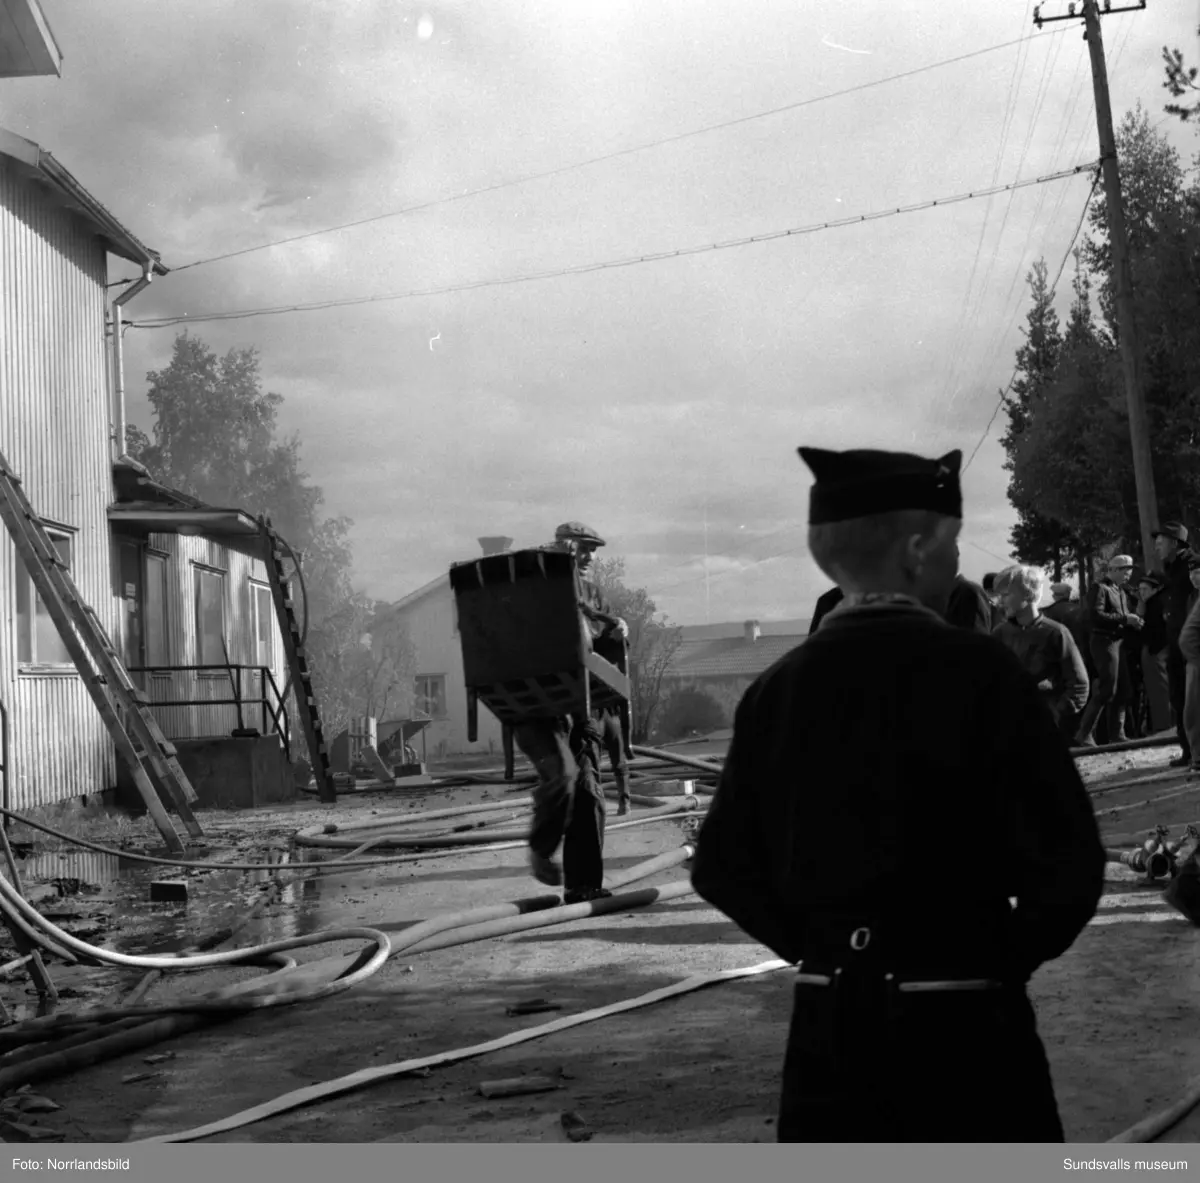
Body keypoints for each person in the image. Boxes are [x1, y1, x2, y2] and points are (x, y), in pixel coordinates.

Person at [691, 444, 1104, 1142]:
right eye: (951, 544)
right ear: (916, 550)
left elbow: (721, 866)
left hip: (829, 1031)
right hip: (968, 1030)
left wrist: (824, 947)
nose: (957, 566)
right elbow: (1071, 866)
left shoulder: (776, 689)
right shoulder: (983, 674)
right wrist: (995, 954)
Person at [513, 521, 628, 904]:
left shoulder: (593, 594)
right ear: (565, 547)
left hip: (584, 710)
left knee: (589, 794)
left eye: (594, 550)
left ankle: (582, 886)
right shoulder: (541, 580)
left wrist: (619, 631)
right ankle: (542, 851)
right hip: (546, 705)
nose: (591, 557)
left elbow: (603, 644)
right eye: (585, 548)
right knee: (563, 780)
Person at [992, 565, 1089, 739]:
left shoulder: (1055, 633)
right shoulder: (999, 634)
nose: (1001, 601)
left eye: (1006, 595)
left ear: (1028, 594)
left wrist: (1055, 715)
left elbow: (1079, 684)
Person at [1073, 555, 1143, 747]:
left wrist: (1132, 621)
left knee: (1123, 688)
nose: (1128, 573)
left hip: (1117, 642)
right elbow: (1095, 615)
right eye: (1124, 569)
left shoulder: (1119, 590)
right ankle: (1084, 733)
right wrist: (1124, 619)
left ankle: (1117, 733)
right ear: (1112, 570)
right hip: (1104, 642)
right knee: (1107, 688)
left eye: (1129, 570)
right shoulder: (1100, 588)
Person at [1155, 523, 1195, 768]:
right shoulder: (1171, 569)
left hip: (1191, 644)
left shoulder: (1193, 565)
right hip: (1176, 643)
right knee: (1179, 696)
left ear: (1175, 542)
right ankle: (1189, 750)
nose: (1156, 547)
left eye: (1160, 542)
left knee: (1192, 697)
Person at [1136, 573, 1172, 734]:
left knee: (1159, 690)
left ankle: (1163, 726)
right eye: (1140, 589)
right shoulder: (1154, 603)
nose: (1142, 592)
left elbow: (1155, 629)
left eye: (1145, 589)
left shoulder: (1155, 604)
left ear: (1155, 589)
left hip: (1155, 650)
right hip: (1155, 649)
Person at [1180, 555, 1200, 776]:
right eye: (1191, 573)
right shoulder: (1192, 597)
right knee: (1193, 711)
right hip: (1194, 660)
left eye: (1197, 572)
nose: (1193, 577)